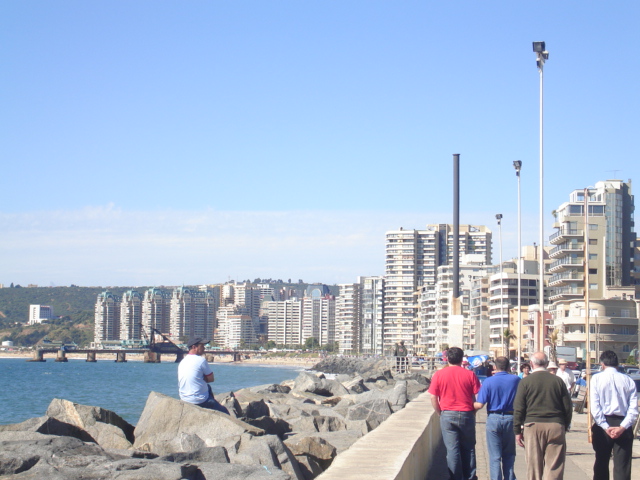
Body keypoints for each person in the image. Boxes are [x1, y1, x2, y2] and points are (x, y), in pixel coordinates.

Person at [513, 352, 572, 480]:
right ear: (546, 364)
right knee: (554, 466)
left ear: (531, 364)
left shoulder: (525, 382)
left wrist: (517, 430)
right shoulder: (558, 381)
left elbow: (519, 408)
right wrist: (564, 425)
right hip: (555, 425)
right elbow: (567, 407)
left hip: (532, 425)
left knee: (534, 467)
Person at [428, 346, 481, 480]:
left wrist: (440, 412)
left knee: (452, 450)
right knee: (468, 448)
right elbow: (479, 396)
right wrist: (474, 410)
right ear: (461, 358)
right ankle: (469, 476)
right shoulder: (470, 374)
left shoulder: (439, 374)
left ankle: (455, 477)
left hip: (447, 414)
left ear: (447, 359)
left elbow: (433, 396)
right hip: (466, 414)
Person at [589, 350, 638, 480]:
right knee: (622, 466)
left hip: (603, 423)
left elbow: (595, 407)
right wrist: (622, 427)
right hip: (623, 423)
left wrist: (605, 426)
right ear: (617, 364)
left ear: (602, 364)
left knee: (601, 463)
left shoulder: (596, 379)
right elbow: (633, 410)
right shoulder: (628, 381)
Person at [474, 356, 520, 480]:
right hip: (511, 418)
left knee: (495, 457)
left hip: (493, 418)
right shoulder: (516, 380)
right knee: (509, 455)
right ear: (509, 367)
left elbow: (479, 404)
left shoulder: (489, 381)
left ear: (495, 367)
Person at [178, 336, 229, 414]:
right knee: (225, 412)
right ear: (194, 347)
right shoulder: (200, 360)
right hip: (199, 401)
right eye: (202, 346)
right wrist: (203, 378)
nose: (204, 348)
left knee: (207, 387)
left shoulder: (182, 362)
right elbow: (211, 379)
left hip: (184, 398)